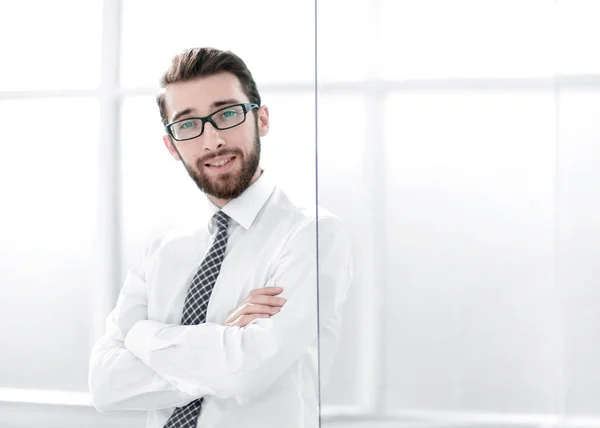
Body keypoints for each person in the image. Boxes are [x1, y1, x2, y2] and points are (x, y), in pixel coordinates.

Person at [88, 47, 354, 428]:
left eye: (227, 114)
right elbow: (105, 384)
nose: (211, 140)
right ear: (171, 146)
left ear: (261, 119)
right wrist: (222, 344)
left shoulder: (312, 235)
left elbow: (247, 371)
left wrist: (143, 336)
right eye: (187, 125)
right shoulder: (163, 249)